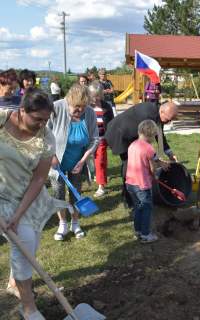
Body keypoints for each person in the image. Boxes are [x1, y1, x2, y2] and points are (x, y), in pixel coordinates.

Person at [0, 88, 72, 319]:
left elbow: (40, 178)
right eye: (37, 119)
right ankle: (29, 307)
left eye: (46, 120)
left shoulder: (46, 137)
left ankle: (14, 281)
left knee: (32, 244)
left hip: (30, 195)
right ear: (22, 111)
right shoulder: (1, 120)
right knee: (25, 241)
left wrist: (19, 213)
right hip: (2, 195)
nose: (42, 125)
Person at [48, 84, 100, 241]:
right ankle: (62, 224)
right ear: (68, 100)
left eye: (83, 106)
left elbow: (95, 140)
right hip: (56, 160)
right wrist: (50, 155)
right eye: (77, 106)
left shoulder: (89, 113)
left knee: (76, 193)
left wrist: (83, 160)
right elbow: (43, 133)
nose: (80, 109)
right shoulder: (56, 108)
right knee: (58, 192)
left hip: (77, 161)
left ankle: (75, 223)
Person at [106, 101, 179, 210]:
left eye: (171, 120)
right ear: (162, 111)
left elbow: (159, 135)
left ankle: (131, 192)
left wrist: (170, 153)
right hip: (120, 134)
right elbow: (144, 145)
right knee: (129, 165)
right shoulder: (148, 115)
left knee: (134, 165)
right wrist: (158, 161)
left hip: (131, 136)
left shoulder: (158, 113)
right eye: (168, 120)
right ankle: (128, 199)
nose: (169, 123)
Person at [126, 120, 159, 243]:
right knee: (147, 208)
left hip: (130, 183)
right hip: (142, 185)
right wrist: (154, 176)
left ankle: (138, 231)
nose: (154, 138)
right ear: (150, 134)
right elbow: (153, 167)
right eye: (154, 136)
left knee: (138, 207)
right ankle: (146, 235)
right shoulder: (148, 148)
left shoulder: (132, 145)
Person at [88, 82, 114, 197]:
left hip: (101, 140)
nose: (95, 98)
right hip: (86, 139)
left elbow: (112, 123)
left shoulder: (106, 106)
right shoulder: (86, 105)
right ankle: (75, 185)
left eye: (97, 95)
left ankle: (101, 187)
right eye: (93, 95)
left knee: (100, 163)